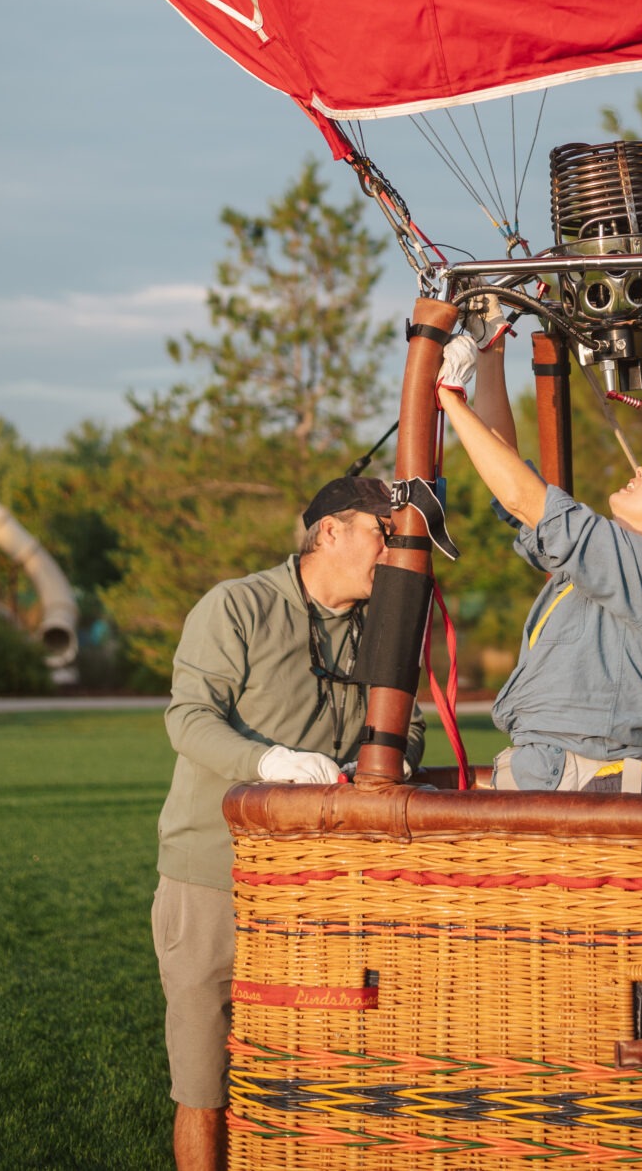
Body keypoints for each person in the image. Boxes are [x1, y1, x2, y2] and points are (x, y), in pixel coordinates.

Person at [152, 474, 426, 1171]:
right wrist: (266, 761)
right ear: (330, 532)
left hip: (320, 889)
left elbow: (412, 726)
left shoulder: (382, 624)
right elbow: (188, 718)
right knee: (204, 1083)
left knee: (312, 1081)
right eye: (384, 534)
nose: (395, 551)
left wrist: (383, 761)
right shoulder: (237, 605)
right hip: (214, 877)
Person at [437, 324, 642, 792]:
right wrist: (490, 351)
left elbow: (522, 498)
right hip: (566, 772)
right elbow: (510, 481)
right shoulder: (616, 564)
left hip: (582, 780)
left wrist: (451, 397)